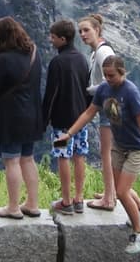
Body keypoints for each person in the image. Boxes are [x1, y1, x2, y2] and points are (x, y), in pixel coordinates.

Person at [57, 55, 140, 255]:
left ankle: (139, 232)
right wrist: (69, 134)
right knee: (119, 187)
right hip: (119, 146)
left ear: (122, 72)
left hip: (136, 149)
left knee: (122, 192)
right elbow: (89, 113)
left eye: (112, 75)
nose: (108, 78)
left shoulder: (130, 92)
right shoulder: (104, 90)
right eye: (105, 75)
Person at [77, 13, 140, 214]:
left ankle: (109, 198)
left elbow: (111, 82)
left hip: (109, 107)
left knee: (106, 152)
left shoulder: (102, 52)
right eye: (80, 31)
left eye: (86, 30)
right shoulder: (96, 51)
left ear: (98, 30)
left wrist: (89, 90)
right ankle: (112, 192)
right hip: (108, 106)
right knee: (107, 151)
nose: (82, 34)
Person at [0, 16, 43, 220]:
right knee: (28, 159)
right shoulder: (33, 52)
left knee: (12, 161)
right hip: (32, 114)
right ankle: (33, 204)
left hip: (12, 117)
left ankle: (13, 207)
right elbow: (19, 71)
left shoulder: (6, 59)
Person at [42, 19, 91, 215]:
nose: (50, 40)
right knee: (80, 155)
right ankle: (79, 198)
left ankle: (66, 201)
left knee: (63, 156)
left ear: (63, 39)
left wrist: (44, 119)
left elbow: (50, 94)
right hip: (81, 119)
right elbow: (88, 90)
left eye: (53, 37)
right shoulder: (81, 59)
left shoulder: (57, 62)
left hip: (62, 122)